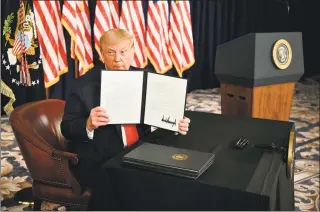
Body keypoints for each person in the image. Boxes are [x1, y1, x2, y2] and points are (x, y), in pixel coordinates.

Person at [60, 28, 191, 191]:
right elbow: (66, 128)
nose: (118, 59)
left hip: (143, 150)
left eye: (123, 52)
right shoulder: (83, 85)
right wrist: (88, 124)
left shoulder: (147, 77)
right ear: (101, 54)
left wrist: (175, 122)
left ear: (133, 52)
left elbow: (155, 120)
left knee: (178, 178)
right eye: (110, 52)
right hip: (104, 158)